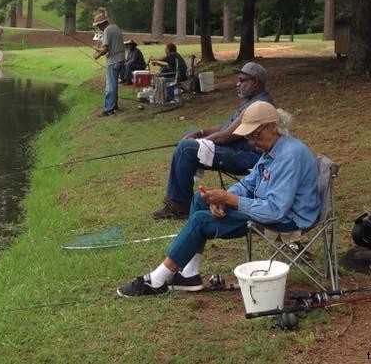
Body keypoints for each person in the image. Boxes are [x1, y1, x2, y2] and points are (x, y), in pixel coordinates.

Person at [117, 101, 320, 297]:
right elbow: (249, 183)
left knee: (199, 221)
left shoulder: (290, 155)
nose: (252, 143)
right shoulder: (272, 149)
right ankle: (189, 274)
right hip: (271, 210)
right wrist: (223, 198)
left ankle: (158, 279)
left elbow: (275, 210)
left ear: (272, 127)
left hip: (288, 220)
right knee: (200, 199)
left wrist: (231, 199)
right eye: (248, 137)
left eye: (255, 135)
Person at [152, 61, 273, 219]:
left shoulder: (259, 105)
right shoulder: (250, 101)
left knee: (188, 148)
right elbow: (225, 127)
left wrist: (200, 142)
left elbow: (226, 136)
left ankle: (179, 206)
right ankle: (179, 200)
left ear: (256, 82)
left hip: (248, 156)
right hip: (235, 149)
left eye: (242, 80)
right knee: (189, 138)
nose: (237, 84)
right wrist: (199, 133)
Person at [93, 11, 125, 117]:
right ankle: (114, 106)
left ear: (102, 23)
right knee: (114, 84)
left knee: (110, 86)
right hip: (121, 59)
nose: (98, 28)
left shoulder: (107, 30)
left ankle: (109, 110)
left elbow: (106, 48)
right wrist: (100, 50)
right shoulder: (116, 27)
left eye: (98, 25)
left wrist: (98, 55)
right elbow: (111, 46)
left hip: (113, 61)